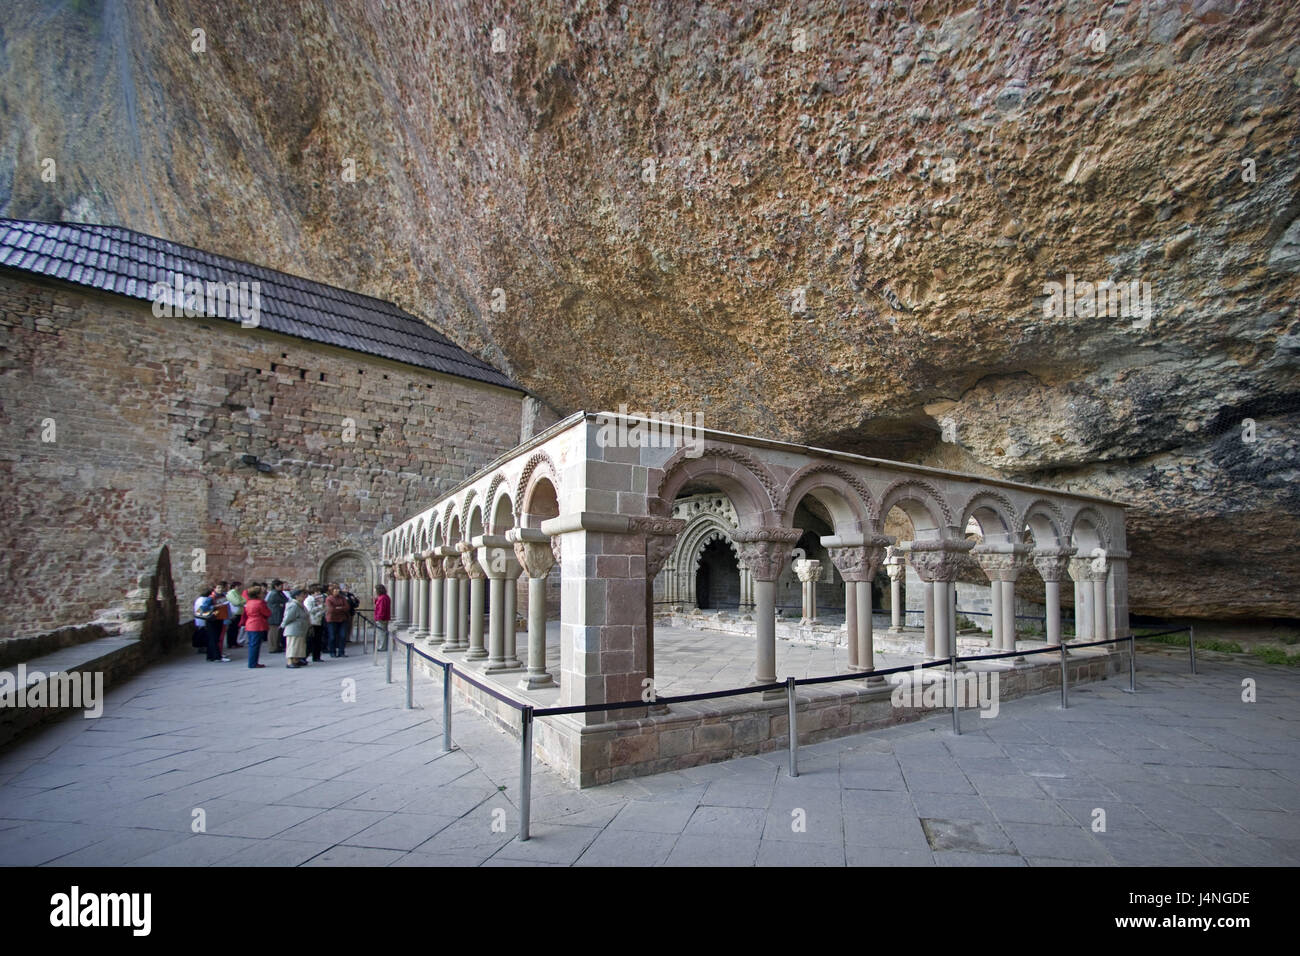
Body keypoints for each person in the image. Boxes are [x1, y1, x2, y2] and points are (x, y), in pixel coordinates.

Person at [193, 586, 229, 662]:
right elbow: (204, 607)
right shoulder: (211, 598)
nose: (220, 589)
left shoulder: (222, 596)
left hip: (219, 618)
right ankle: (216, 657)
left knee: (214, 638)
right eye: (218, 588)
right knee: (213, 638)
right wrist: (215, 606)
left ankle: (211, 656)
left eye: (221, 588)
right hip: (213, 619)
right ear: (214, 589)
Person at [242, 586, 270, 669]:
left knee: (252, 644)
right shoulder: (260, 603)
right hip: (257, 624)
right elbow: (267, 613)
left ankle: (253, 662)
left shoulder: (249, 602)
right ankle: (253, 663)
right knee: (255, 645)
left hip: (250, 623)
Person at [282, 589, 310, 667]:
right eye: (302, 595)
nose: (304, 597)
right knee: (293, 645)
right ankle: (290, 661)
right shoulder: (293, 605)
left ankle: (296, 659)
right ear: (296, 596)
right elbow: (288, 617)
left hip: (300, 629)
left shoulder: (301, 605)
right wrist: (283, 625)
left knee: (298, 646)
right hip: (294, 629)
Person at [324, 585, 351, 658]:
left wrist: (338, 608)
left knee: (342, 636)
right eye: (335, 590)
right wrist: (341, 608)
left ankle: (341, 651)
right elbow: (331, 609)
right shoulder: (329, 599)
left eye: (338, 590)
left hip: (342, 619)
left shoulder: (342, 598)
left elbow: (347, 607)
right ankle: (332, 651)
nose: (337, 591)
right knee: (332, 636)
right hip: (332, 619)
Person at [304, 585, 326, 662]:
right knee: (310, 640)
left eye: (319, 592)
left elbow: (323, 608)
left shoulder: (319, 600)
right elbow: (309, 610)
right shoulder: (309, 600)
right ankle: (304, 656)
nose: (318, 593)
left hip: (318, 621)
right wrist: (319, 607)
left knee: (318, 640)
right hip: (312, 622)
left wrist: (322, 608)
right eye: (317, 592)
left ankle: (316, 656)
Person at [266, 579, 287, 653]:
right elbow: (283, 601)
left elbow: (285, 600)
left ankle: (277, 646)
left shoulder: (279, 593)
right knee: (274, 633)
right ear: (276, 586)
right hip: (274, 615)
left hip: (278, 614)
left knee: (278, 633)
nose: (282, 587)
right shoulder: (274, 594)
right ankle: (273, 647)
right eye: (281, 586)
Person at [225, 581, 245, 648]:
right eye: (238, 586)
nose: (240, 587)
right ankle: (231, 643)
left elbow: (244, 600)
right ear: (234, 586)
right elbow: (236, 602)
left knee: (236, 629)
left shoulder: (237, 593)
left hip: (238, 612)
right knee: (232, 629)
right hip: (234, 613)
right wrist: (242, 602)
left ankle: (234, 642)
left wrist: (242, 602)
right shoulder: (231, 593)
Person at [373, 583, 390, 651]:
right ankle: (382, 646)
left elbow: (382, 609)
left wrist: (379, 617)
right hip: (382, 617)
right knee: (381, 632)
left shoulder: (383, 598)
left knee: (382, 633)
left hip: (382, 618)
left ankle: (382, 647)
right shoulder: (383, 597)